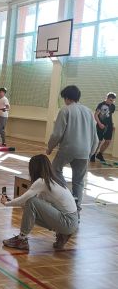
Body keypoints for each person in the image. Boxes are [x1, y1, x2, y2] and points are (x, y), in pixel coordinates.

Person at [1, 154, 78, 251]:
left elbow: (26, 199)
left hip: (67, 221)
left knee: (31, 202)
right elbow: (27, 204)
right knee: (28, 208)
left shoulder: (42, 181)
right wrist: (11, 201)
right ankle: (62, 234)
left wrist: (6, 203)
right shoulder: (53, 180)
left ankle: (21, 239)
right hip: (71, 222)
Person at [46, 85, 98, 216]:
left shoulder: (65, 110)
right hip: (85, 151)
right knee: (79, 181)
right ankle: (76, 211)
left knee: (54, 170)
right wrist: (90, 153)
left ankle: (68, 195)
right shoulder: (89, 112)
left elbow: (57, 134)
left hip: (68, 149)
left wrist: (50, 147)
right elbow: (95, 138)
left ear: (67, 98)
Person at [91, 92, 116, 162]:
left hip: (109, 126)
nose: (111, 102)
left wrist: (112, 124)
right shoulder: (101, 104)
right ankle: (93, 154)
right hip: (100, 125)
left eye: (113, 101)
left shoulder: (113, 106)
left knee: (108, 141)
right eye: (110, 100)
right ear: (107, 98)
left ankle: (100, 154)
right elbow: (96, 115)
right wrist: (99, 124)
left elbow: (109, 115)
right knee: (98, 141)